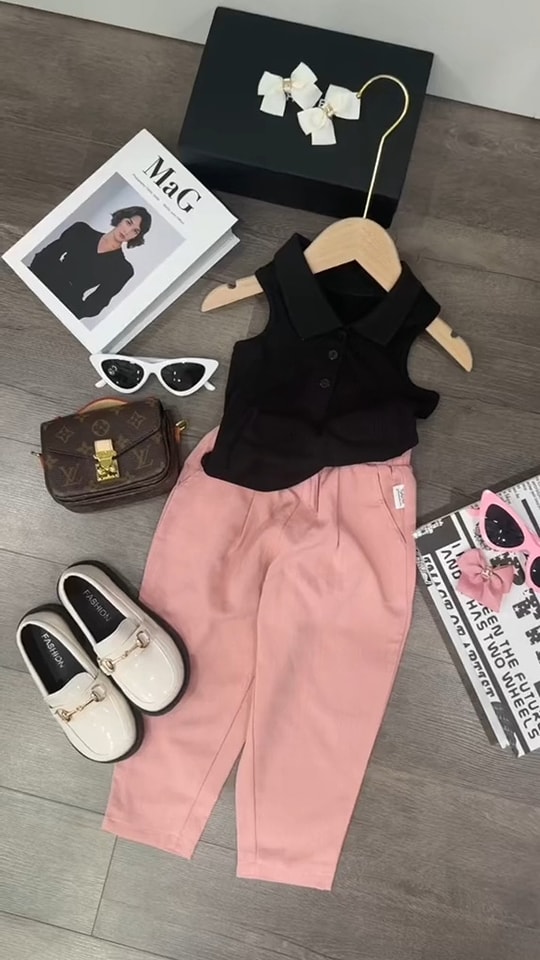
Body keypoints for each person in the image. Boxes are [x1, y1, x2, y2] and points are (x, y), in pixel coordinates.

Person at [29, 206, 152, 319]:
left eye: (135, 231)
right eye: (128, 223)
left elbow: (96, 304)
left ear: (136, 236)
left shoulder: (123, 269)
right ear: (121, 219)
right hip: (39, 280)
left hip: (64, 304)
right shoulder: (81, 231)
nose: (127, 231)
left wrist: (70, 313)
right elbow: (45, 256)